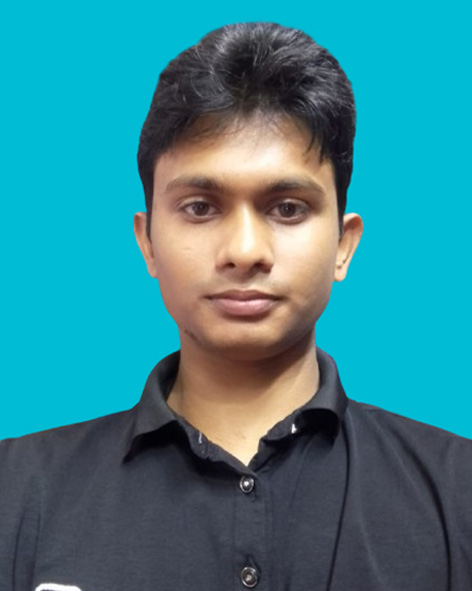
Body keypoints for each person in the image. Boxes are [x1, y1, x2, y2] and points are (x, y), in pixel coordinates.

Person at [0, 21, 471, 591]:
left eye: (288, 208)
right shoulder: (15, 492)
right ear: (148, 242)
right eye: (200, 207)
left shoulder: (459, 492)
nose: (245, 251)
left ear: (343, 245)